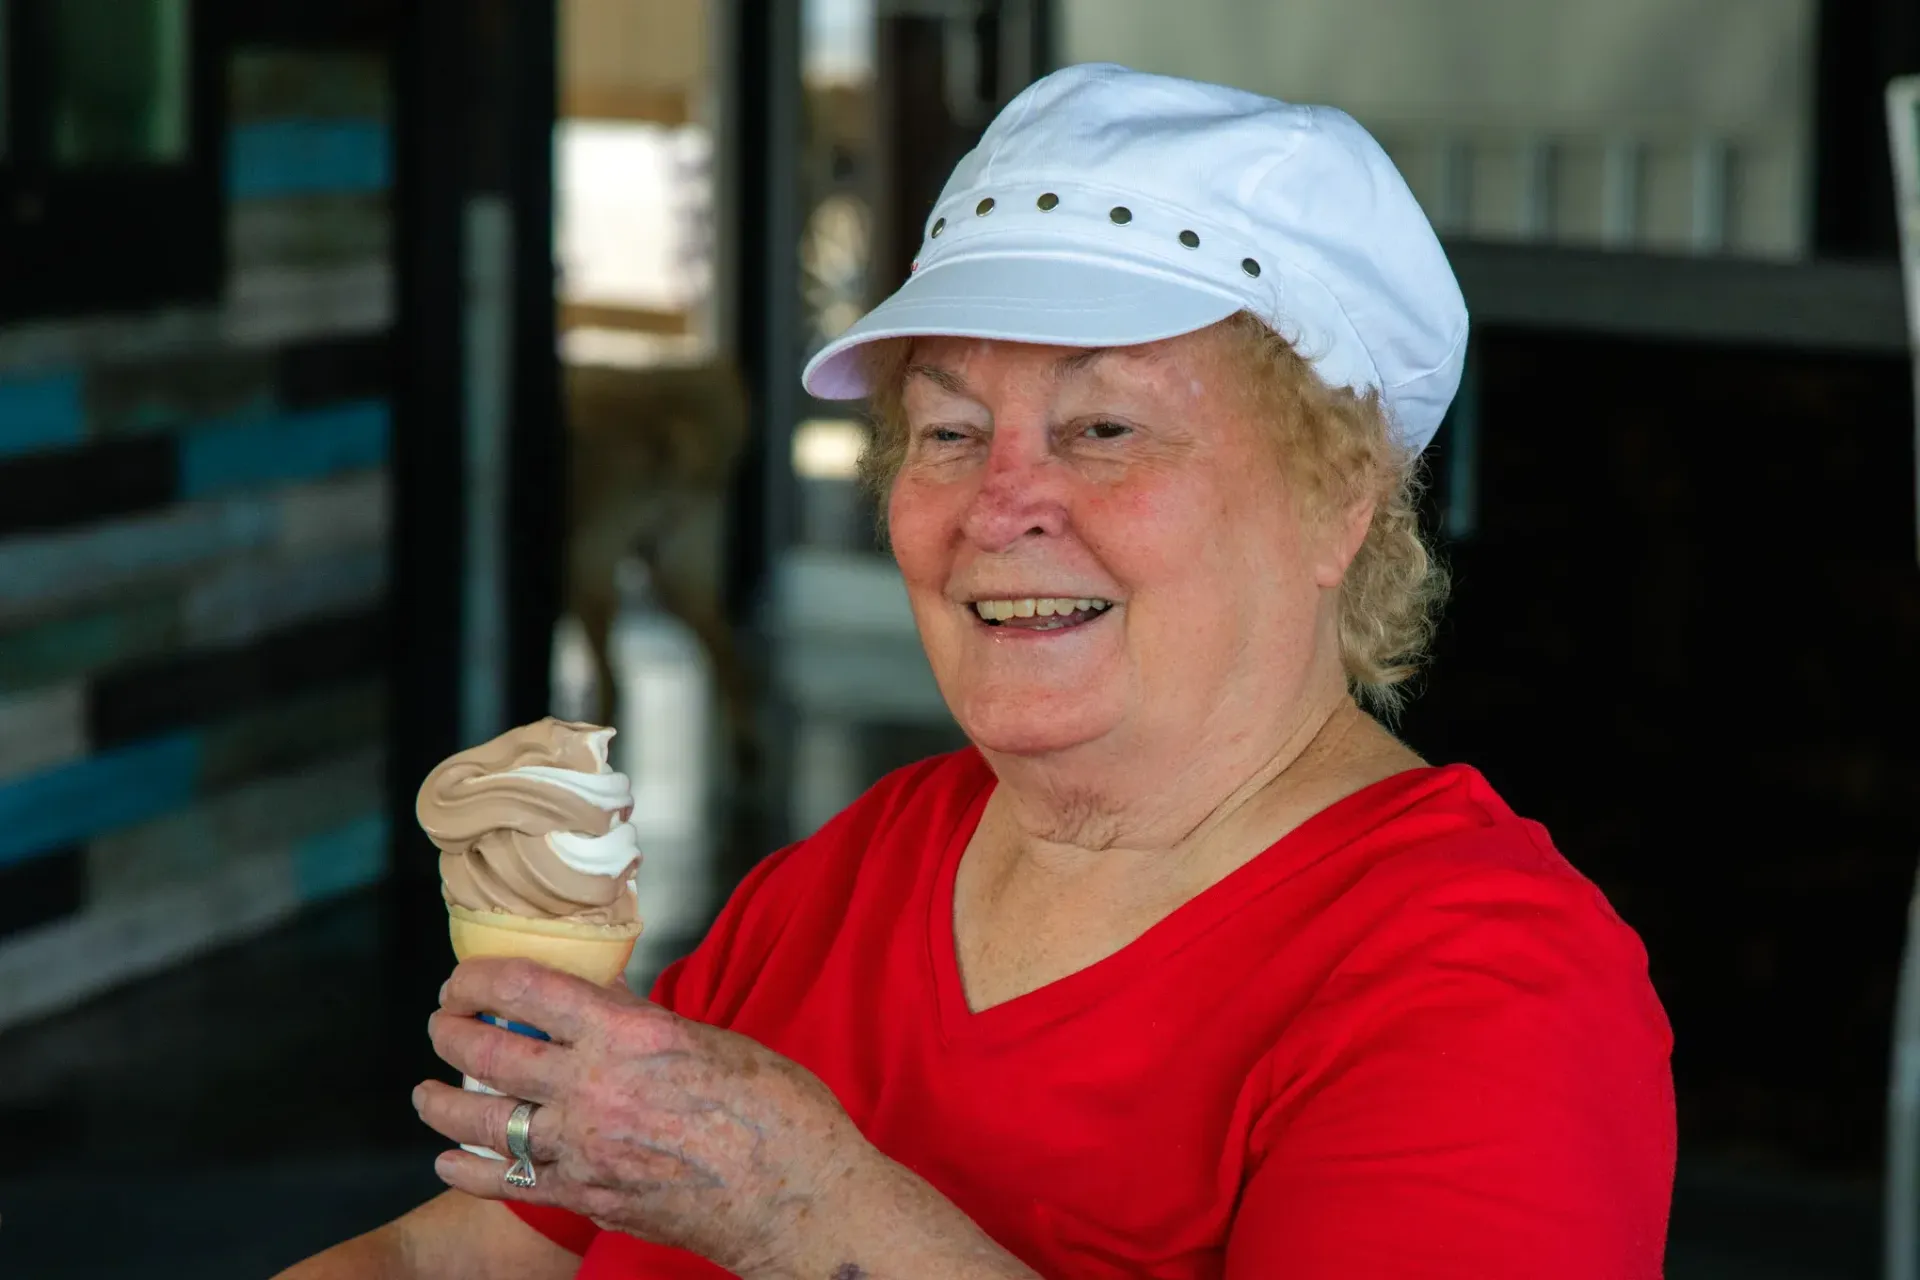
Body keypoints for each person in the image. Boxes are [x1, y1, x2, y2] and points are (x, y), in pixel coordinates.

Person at [282, 63, 1674, 1280]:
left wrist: (803, 1211)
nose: (999, 505)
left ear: (1339, 498)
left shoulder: (1484, 985)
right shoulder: (855, 874)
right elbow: (444, 1260)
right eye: (948, 432)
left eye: (1106, 426)